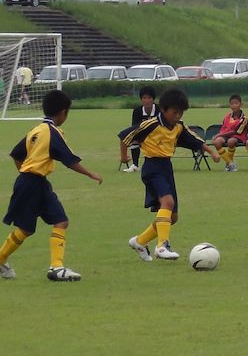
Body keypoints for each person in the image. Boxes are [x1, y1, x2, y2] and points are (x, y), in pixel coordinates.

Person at [0, 90, 102, 281]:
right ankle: (3, 259)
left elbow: (16, 154)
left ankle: (56, 267)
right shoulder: (52, 133)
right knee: (26, 228)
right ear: (63, 112)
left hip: (35, 183)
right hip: (32, 183)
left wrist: (25, 173)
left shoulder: (36, 130)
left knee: (59, 221)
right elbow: (69, 160)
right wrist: (91, 174)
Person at [121, 88, 220, 261]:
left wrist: (212, 152)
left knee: (172, 217)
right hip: (152, 167)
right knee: (167, 202)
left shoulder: (179, 127)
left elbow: (194, 139)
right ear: (164, 110)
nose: (177, 116)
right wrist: (124, 156)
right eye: (174, 112)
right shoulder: (150, 124)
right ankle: (162, 245)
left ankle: (139, 241)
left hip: (166, 168)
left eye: (180, 113)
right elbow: (125, 136)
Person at [124, 86, 157, 172]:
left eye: (149, 98)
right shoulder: (137, 111)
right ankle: (135, 165)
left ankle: (154, 164)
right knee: (134, 140)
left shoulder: (159, 109)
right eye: (144, 98)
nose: (147, 101)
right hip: (143, 136)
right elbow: (135, 127)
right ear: (141, 99)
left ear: (153, 99)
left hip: (158, 136)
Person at [212, 94, 248, 172]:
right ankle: (230, 163)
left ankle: (229, 163)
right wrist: (219, 136)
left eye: (236, 103)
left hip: (238, 136)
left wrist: (218, 134)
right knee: (217, 142)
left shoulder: (244, 119)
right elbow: (224, 128)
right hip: (225, 135)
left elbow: (235, 131)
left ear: (241, 104)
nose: (234, 105)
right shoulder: (227, 116)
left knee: (231, 141)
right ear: (229, 105)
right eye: (232, 103)